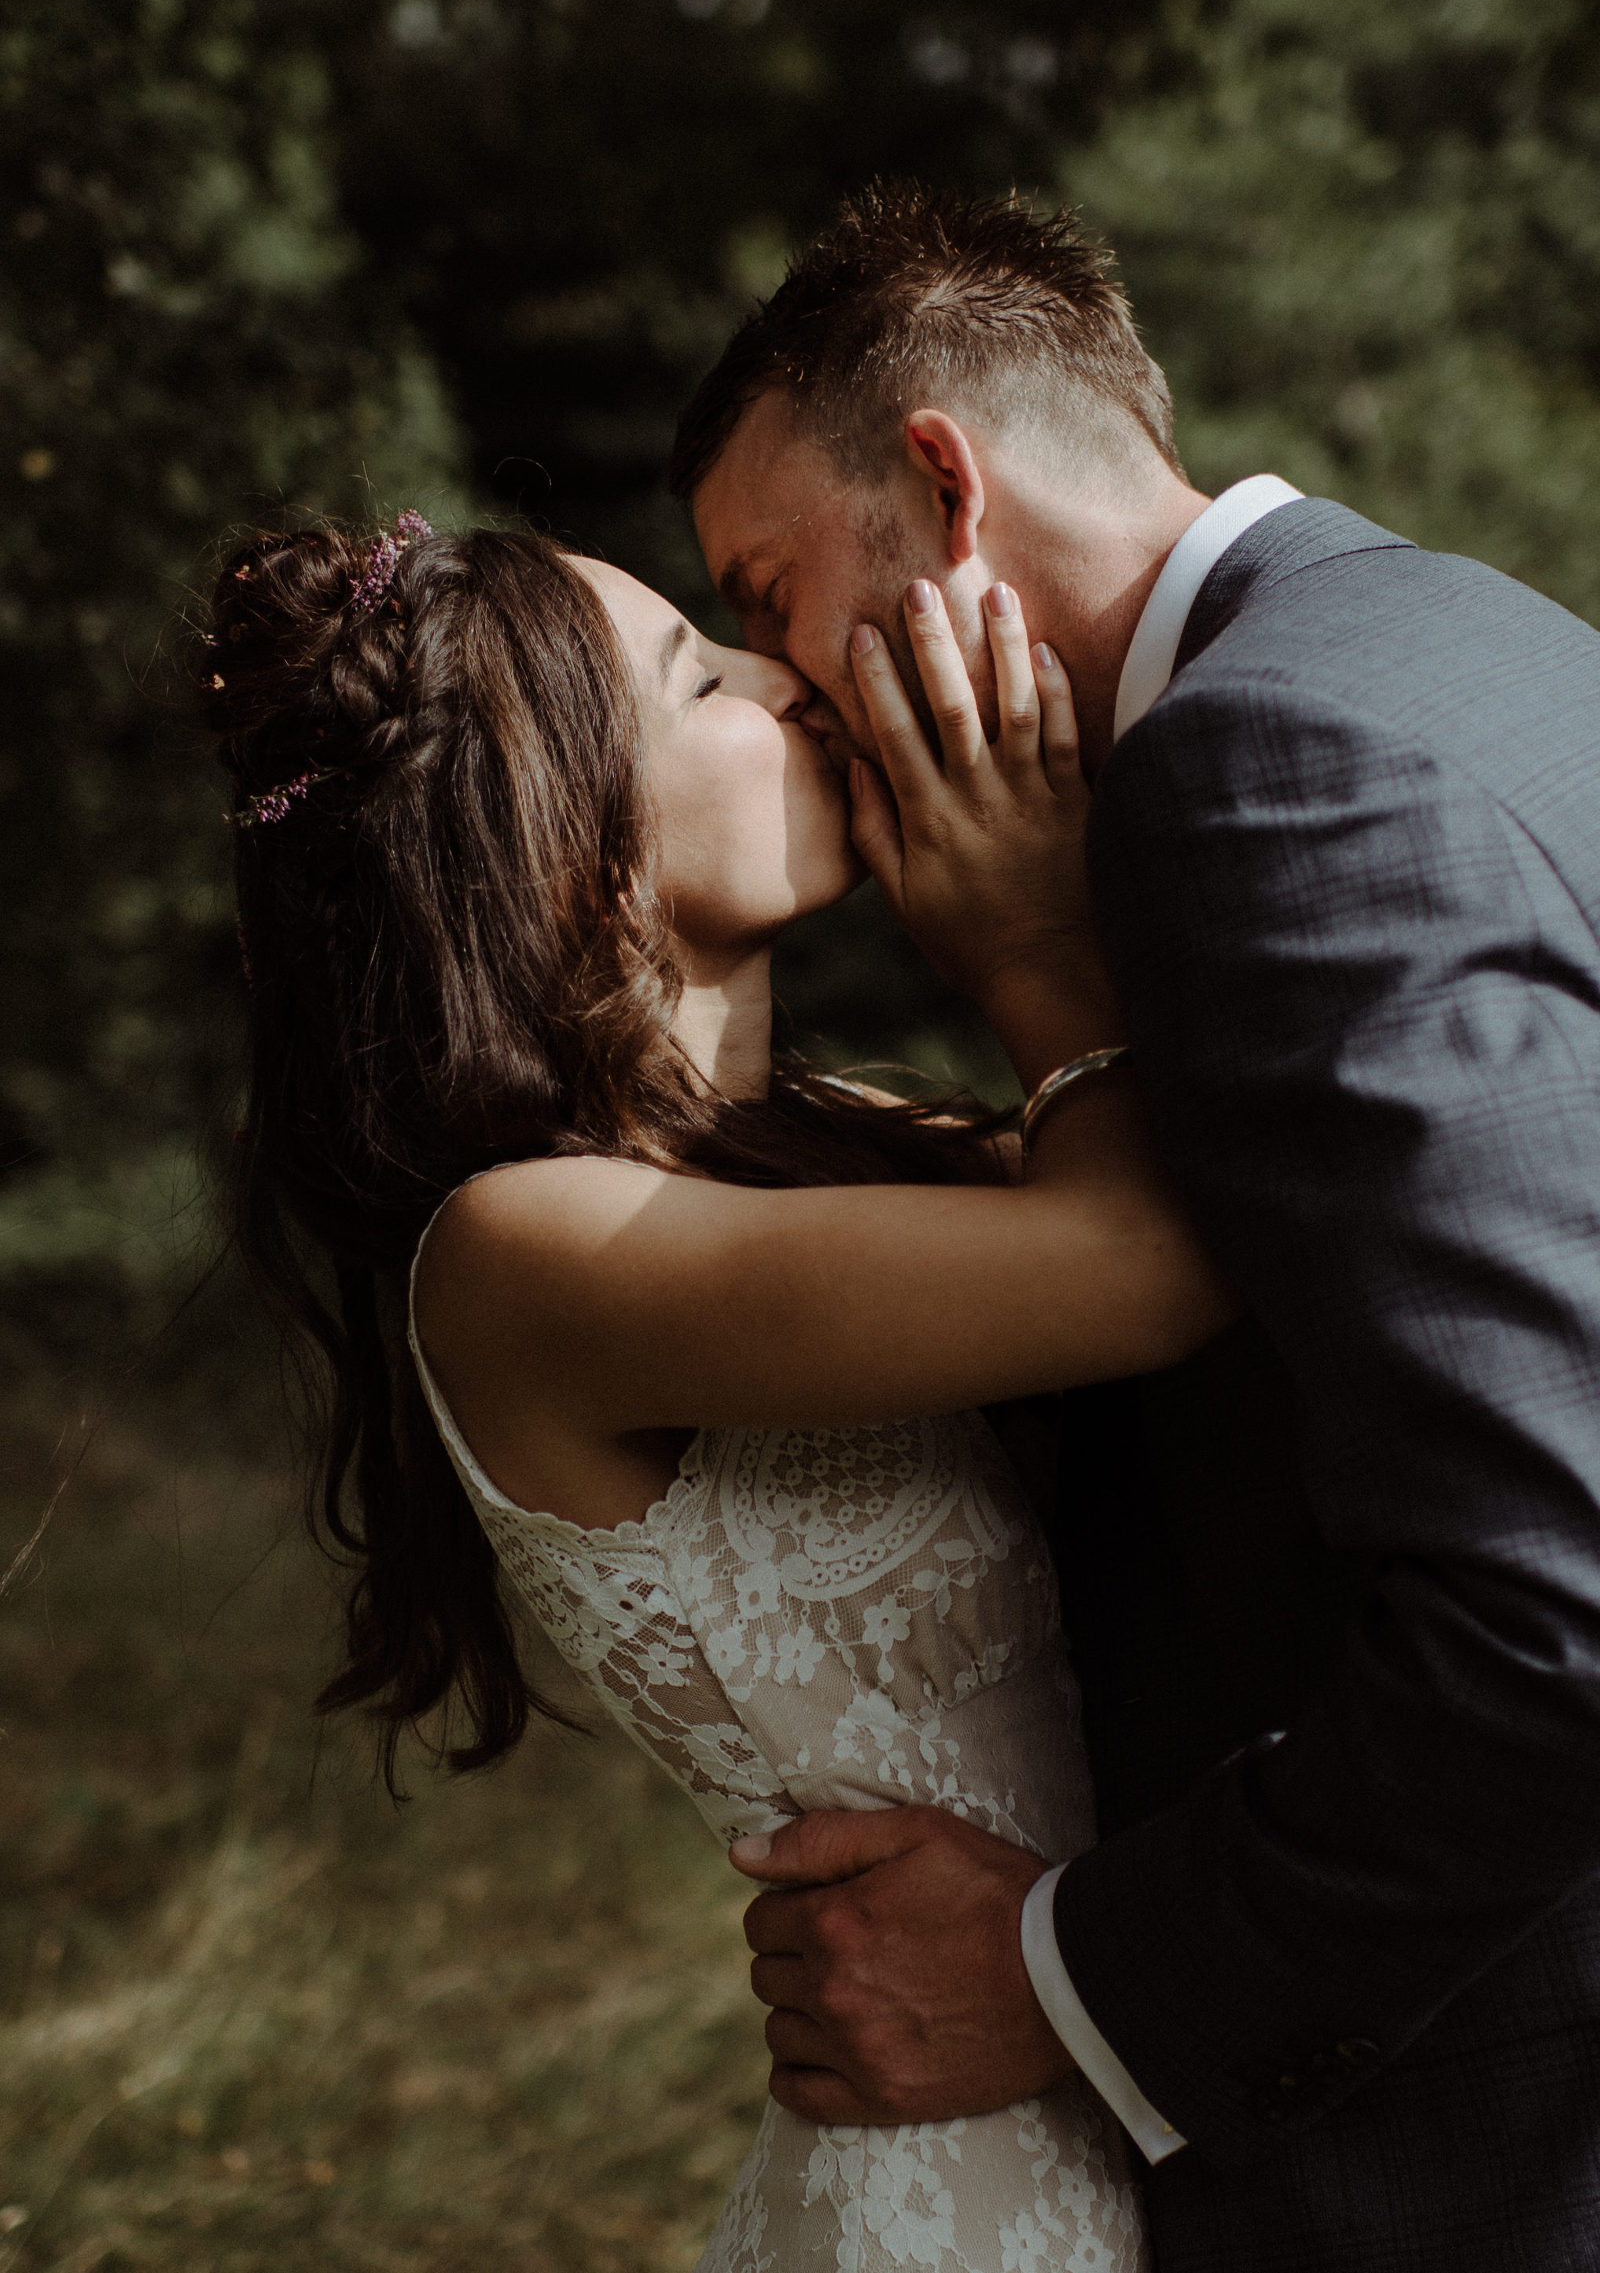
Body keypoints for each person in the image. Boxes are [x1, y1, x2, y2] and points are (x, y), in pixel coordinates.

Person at [669, 183, 1600, 2272]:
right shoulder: (1474, 637)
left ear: (940, 484)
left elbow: (1561, 1605)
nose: (793, 690)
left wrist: (1066, 1977)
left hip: (1488, 2138)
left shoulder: (1266, 769)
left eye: (772, 589)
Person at [200, 509, 1233, 2269]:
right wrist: (1027, 937)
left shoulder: (843, 1153)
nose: (783, 678)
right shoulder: (530, 1255)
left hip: (1099, 2075)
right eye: (698, 672)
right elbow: (1150, 1263)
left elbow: (1217, 1207)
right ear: (563, 848)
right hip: (963, 2192)